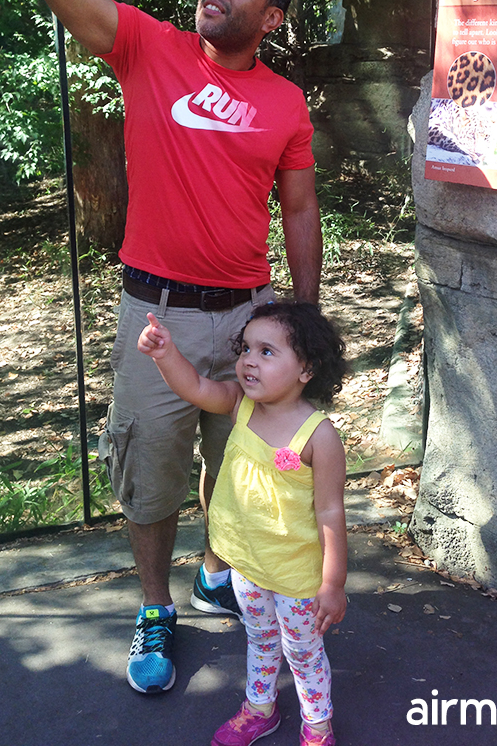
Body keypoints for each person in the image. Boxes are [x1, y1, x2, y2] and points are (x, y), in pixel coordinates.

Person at [0, 0, 323, 695]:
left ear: (271, 18)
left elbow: (299, 212)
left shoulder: (287, 103)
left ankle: (216, 567)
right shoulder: (149, 49)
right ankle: (156, 605)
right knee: (150, 477)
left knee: (230, 465)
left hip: (251, 320)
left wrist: (303, 318)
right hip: (154, 316)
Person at [138, 300, 347, 746]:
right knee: (261, 639)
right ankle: (260, 708)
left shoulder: (319, 436)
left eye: (267, 352)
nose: (249, 360)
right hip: (246, 566)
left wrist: (333, 583)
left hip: (295, 576)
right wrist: (164, 354)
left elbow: (330, 512)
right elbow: (193, 386)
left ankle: (318, 727)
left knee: (304, 652)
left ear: (306, 369)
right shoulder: (239, 404)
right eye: (246, 348)